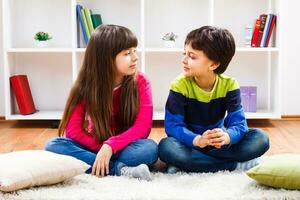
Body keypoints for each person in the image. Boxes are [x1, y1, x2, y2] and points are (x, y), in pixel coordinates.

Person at [45, 25, 158, 181]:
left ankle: (96, 164)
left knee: (149, 149)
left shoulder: (141, 82)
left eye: (134, 51)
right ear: (106, 58)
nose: (135, 57)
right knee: (53, 146)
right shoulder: (85, 85)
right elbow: (73, 130)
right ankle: (120, 170)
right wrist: (103, 149)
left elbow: (143, 127)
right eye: (127, 53)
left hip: (125, 145)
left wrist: (111, 146)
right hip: (95, 144)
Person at [158, 26, 269, 173]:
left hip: (219, 144)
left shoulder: (229, 85)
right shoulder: (179, 85)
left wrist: (227, 137)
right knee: (166, 147)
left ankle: (189, 164)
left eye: (192, 56)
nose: (183, 60)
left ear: (214, 64)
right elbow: (173, 127)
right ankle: (234, 165)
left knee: (261, 139)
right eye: (184, 53)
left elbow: (239, 124)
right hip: (191, 143)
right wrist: (198, 140)